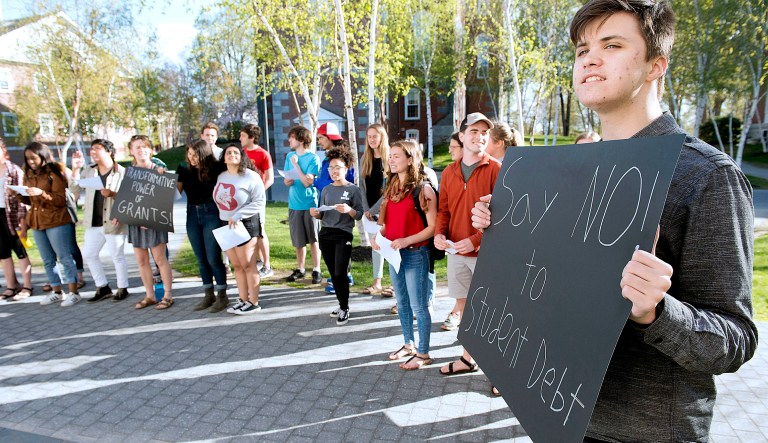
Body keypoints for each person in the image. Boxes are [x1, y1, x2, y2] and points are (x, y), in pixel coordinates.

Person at [472, 1, 756, 441]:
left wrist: (656, 311)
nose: (590, 59)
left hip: (648, 434)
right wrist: (508, 234)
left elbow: (736, 340)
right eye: (582, 49)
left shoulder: (705, 175)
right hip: (556, 411)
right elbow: (552, 287)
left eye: (612, 45)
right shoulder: (563, 174)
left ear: (655, 65)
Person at [435, 112, 501, 376]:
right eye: (474, 131)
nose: (480, 137)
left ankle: (497, 371)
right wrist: (440, 235)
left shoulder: (496, 168)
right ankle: (468, 358)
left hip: (486, 254)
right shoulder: (449, 172)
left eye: (484, 133)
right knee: (464, 307)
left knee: (491, 311)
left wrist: (474, 241)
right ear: (461, 136)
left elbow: (503, 217)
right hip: (456, 253)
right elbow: (444, 210)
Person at [372, 140, 437, 370]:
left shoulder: (424, 189)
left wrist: (406, 240)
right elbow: (389, 223)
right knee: (402, 303)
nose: (391, 160)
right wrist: (378, 236)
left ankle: (423, 353)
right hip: (394, 255)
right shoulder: (391, 187)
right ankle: (408, 345)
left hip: (416, 254)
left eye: (396, 156)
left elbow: (433, 227)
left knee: (419, 306)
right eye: (390, 156)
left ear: (410, 160)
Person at [12, 142, 81, 306]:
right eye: (27, 159)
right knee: (48, 259)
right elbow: (30, 200)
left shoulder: (54, 171)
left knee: (64, 257)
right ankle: (57, 291)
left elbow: (60, 199)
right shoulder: (28, 173)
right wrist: (18, 194)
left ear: (42, 156)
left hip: (57, 220)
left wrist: (41, 193)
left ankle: (73, 291)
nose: (30, 162)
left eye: (33, 158)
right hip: (37, 222)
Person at [70, 139, 130, 303]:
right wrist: (75, 169)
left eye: (97, 148)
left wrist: (118, 207)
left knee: (117, 256)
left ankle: (122, 288)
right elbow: (74, 189)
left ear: (109, 152)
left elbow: (128, 197)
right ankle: (102, 287)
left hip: (113, 221)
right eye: (92, 149)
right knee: (90, 254)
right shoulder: (89, 170)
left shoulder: (121, 172)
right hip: (93, 221)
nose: (93, 151)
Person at [309, 148, 363, 325]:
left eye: (337, 167)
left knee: (341, 272)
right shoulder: (326, 190)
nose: (334, 171)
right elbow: (322, 214)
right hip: (326, 234)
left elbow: (359, 214)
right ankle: (341, 304)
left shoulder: (353, 190)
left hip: (343, 234)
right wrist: (316, 213)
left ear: (346, 168)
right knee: (333, 274)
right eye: (331, 168)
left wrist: (349, 210)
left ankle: (345, 308)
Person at [177, 139, 229, 313]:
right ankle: (208, 294)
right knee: (200, 258)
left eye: (195, 155)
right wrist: (163, 177)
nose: (191, 158)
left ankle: (222, 295)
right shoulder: (184, 169)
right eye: (189, 154)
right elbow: (175, 192)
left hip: (211, 212)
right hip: (192, 214)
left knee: (213, 257)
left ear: (204, 154)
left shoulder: (216, 167)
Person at [123, 135, 174, 310]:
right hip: (136, 222)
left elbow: (166, 201)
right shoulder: (129, 173)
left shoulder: (160, 171)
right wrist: (120, 214)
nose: (141, 150)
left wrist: (151, 218)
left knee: (160, 259)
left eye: (144, 146)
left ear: (150, 150)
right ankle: (150, 295)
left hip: (155, 221)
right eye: (137, 147)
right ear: (131, 151)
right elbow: (126, 198)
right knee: (141, 260)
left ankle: (167, 295)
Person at [214, 144, 266, 315]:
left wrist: (238, 215)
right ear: (224, 158)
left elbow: (259, 202)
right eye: (228, 153)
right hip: (226, 225)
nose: (232, 155)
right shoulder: (221, 176)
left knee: (248, 265)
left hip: (246, 224)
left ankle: (254, 302)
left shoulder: (251, 176)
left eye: (236, 152)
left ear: (241, 156)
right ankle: (243, 299)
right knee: (236, 265)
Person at [314, 122, 356, 293]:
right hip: (328, 207)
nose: (319, 141)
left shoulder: (343, 159)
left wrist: (314, 181)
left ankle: (343, 277)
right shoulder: (327, 159)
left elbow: (341, 182)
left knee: (341, 243)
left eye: (321, 138)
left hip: (340, 206)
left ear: (330, 138)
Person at [284, 125, 323, 284]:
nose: (289, 140)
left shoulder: (313, 158)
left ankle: (316, 269)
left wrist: (296, 166)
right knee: (298, 241)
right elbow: (288, 180)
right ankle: (300, 269)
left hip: (309, 204)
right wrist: (287, 181)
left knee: (314, 239)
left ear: (300, 139)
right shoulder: (289, 156)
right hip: (294, 204)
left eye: (292, 137)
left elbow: (307, 183)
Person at [359, 124, 390, 296]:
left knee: (390, 246)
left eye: (375, 136)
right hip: (369, 213)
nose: (371, 139)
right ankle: (377, 282)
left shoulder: (389, 158)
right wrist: (366, 209)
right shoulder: (365, 159)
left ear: (382, 137)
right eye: (369, 136)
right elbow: (362, 187)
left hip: (386, 210)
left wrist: (375, 209)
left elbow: (389, 189)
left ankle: (395, 284)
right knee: (375, 246)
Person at [0, 138, 32, 301]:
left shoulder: (14, 170)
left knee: (20, 249)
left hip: (13, 216)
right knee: (3, 252)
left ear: (3, 151)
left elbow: (22, 198)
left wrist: (23, 222)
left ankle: (27, 286)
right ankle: (11, 286)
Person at [240, 123, 274, 278]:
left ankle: (267, 265)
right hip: (242, 200)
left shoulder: (263, 154)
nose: (240, 138)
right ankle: (257, 261)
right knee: (248, 231)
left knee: (260, 230)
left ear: (252, 137)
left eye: (243, 135)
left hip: (257, 200)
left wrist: (258, 193)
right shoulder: (240, 153)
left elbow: (270, 179)